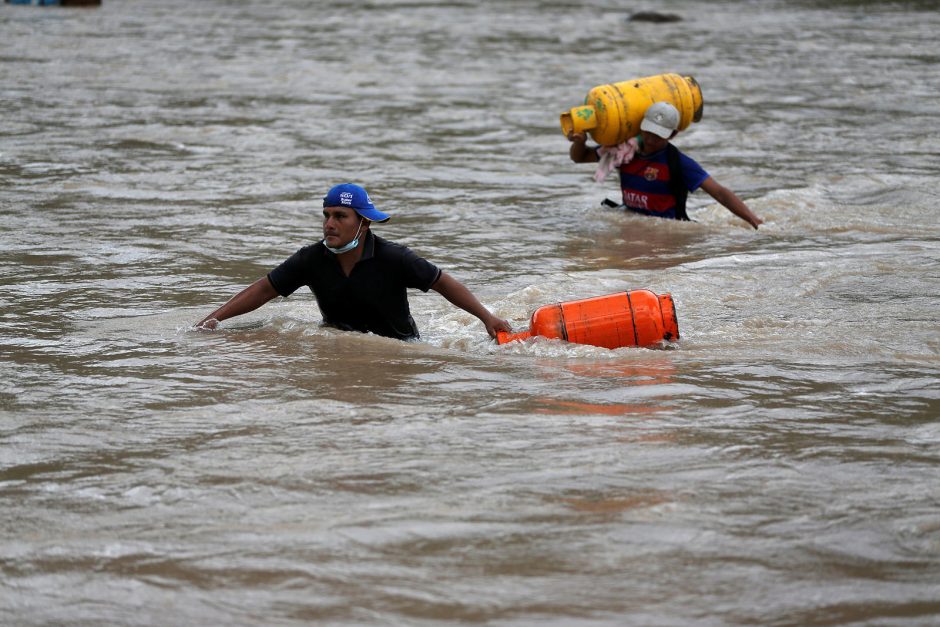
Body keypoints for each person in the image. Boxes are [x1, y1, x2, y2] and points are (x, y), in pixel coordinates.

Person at [196, 183, 511, 341]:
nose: (329, 224)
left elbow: (442, 282)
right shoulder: (311, 259)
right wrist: (213, 320)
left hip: (400, 346)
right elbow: (263, 290)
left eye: (340, 216)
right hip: (336, 340)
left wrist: (487, 317)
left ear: (364, 223)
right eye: (326, 216)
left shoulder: (394, 258)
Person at [567, 101, 763, 229]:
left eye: (658, 135)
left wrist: (754, 221)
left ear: (673, 134)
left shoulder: (679, 164)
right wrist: (579, 142)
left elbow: (719, 192)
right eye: (648, 132)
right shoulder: (624, 152)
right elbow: (580, 157)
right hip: (630, 222)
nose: (651, 140)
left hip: (665, 228)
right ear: (640, 127)